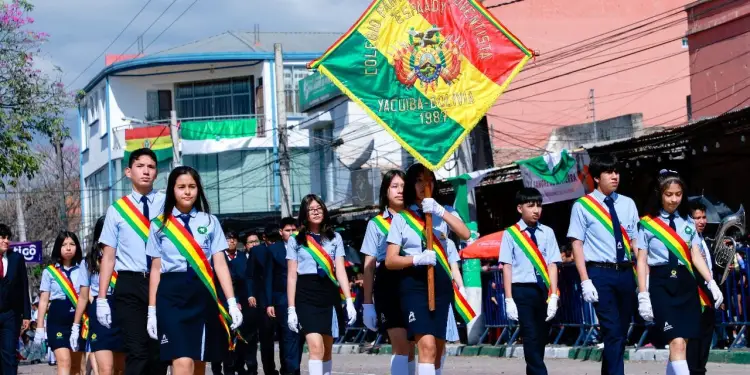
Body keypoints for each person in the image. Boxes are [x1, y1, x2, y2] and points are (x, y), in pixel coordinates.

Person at [145, 166, 243, 375]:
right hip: (171, 297)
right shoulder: (159, 225)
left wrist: (232, 303)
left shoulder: (210, 221)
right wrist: (151, 311)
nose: (187, 192)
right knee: (182, 362)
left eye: (192, 186)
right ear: (172, 190)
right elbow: (155, 270)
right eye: (181, 187)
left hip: (203, 294)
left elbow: (220, 264)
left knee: (199, 362)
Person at [384, 163, 470, 375]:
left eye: (429, 180)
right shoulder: (402, 218)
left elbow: (465, 233)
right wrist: (416, 259)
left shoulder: (445, 212)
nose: (425, 185)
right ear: (412, 185)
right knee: (427, 346)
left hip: (440, 286)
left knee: (438, 350)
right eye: (419, 181)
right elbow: (390, 260)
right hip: (414, 287)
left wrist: (440, 210)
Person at [635, 171, 723, 375]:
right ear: (659, 194)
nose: (674, 199)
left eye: (678, 194)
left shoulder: (687, 222)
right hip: (662, 285)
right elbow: (641, 260)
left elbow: (696, 255)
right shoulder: (647, 224)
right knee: (676, 342)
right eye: (668, 194)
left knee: (682, 342)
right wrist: (643, 294)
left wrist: (711, 283)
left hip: (686, 285)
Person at [96, 148, 168, 375]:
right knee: (137, 352)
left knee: (158, 353)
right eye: (140, 166)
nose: (146, 171)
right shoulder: (116, 210)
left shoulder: (169, 204)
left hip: (163, 283)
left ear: (156, 173)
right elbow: (108, 257)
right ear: (128, 172)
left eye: (151, 167)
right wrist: (101, 298)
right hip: (129, 284)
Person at [567, 154, 639, 375]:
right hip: (600, 273)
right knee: (612, 331)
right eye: (609, 172)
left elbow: (635, 241)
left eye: (616, 171)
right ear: (597, 177)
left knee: (619, 333)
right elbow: (577, 244)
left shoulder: (628, 203)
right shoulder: (583, 206)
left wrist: (645, 274)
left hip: (626, 272)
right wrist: (585, 280)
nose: (615, 176)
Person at [286, 194, 357, 375]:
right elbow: (292, 275)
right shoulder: (296, 239)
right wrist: (291, 309)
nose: (316, 212)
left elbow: (340, 269)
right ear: (304, 213)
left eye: (319, 208)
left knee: (326, 349)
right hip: (306, 294)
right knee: (315, 348)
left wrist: (349, 300)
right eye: (312, 209)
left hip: (329, 293)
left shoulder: (335, 238)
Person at [500, 188, 561, 375]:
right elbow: (507, 267)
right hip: (521, 290)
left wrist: (553, 295)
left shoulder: (547, 232)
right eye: (531, 205)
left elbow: (552, 264)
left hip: (542, 290)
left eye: (539, 205)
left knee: (541, 337)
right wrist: (509, 298)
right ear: (520, 208)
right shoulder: (511, 234)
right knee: (530, 335)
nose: (536, 210)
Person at [360, 170, 416, 375]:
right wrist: (367, 304)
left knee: (411, 347)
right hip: (388, 285)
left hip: (413, 282)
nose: (400, 191)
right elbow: (369, 265)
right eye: (394, 186)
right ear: (385, 191)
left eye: (403, 186)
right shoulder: (376, 224)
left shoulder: (417, 219)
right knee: (400, 345)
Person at [75, 216, 125, 375]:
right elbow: (83, 297)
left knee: (121, 368)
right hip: (100, 311)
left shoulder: (126, 257)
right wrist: (76, 325)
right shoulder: (89, 261)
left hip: (124, 308)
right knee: (106, 369)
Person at [35, 231, 86, 375]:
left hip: (78, 321)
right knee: (64, 362)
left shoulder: (83, 268)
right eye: (64, 245)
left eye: (72, 244)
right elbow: (44, 300)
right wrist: (40, 327)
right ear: (58, 247)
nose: (68, 248)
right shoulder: (49, 272)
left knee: (77, 366)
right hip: (57, 321)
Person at [264, 224, 303, 375]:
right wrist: (269, 303)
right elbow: (268, 277)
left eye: (294, 230)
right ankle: (291, 371)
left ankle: (292, 368)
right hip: (282, 300)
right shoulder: (273, 250)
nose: (291, 233)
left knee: (299, 338)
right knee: (288, 336)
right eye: (288, 230)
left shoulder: (304, 245)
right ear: (281, 232)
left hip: (303, 297)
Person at [212, 231, 250, 375]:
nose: (231, 242)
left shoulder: (241, 257)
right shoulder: (216, 257)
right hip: (218, 303)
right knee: (219, 338)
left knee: (235, 338)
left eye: (234, 239)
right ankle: (217, 369)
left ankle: (233, 368)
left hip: (237, 302)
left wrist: (237, 301)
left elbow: (242, 281)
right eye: (228, 239)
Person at [686, 200, 716, 375]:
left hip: (709, 294)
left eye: (703, 217)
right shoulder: (688, 242)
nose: (702, 221)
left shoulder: (706, 241)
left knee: (706, 340)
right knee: (694, 343)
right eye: (697, 218)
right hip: (695, 295)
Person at [0, 224, 31, 375]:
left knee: (9, 354)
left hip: (10, 314)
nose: (6, 241)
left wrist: (26, 315)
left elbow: (24, 287)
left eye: (8, 238)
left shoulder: (16, 259)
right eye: (2, 237)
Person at [246, 231, 277, 375]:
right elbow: (250, 275)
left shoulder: (289, 247)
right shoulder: (257, 252)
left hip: (283, 298)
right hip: (263, 300)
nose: (273, 242)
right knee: (266, 339)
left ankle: (289, 369)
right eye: (271, 239)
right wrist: (251, 294)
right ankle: (269, 370)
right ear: (265, 238)